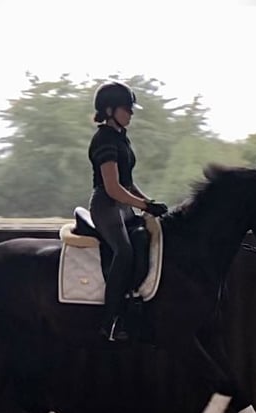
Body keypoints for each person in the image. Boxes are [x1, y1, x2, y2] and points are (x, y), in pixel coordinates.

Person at [87, 81, 168, 342]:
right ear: (110, 110)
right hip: (106, 205)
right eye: (127, 109)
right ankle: (109, 321)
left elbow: (128, 183)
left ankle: (133, 302)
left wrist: (149, 202)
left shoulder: (121, 138)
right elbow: (112, 187)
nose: (131, 113)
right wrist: (143, 206)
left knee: (143, 237)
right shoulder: (103, 140)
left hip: (122, 205)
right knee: (123, 250)